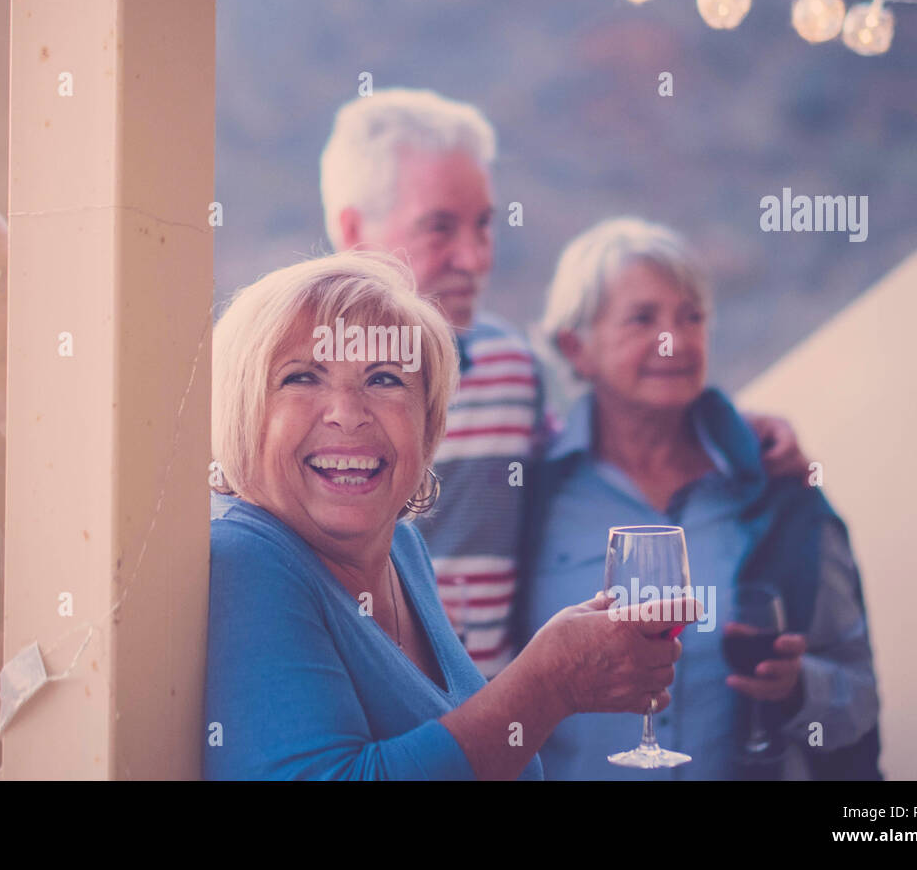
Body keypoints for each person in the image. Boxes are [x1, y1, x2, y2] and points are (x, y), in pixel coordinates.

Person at [320, 87, 806, 677]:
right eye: (439, 228)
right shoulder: (296, 398)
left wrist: (731, 428)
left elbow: (588, 443)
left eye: (483, 226)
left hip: (495, 734)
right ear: (352, 230)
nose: (475, 258)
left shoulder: (510, 368)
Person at [203, 251, 698, 779]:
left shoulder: (402, 548)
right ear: (241, 413)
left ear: (429, 422)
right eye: (302, 377)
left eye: (385, 379)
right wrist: (548, 686)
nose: (347, 413)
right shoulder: (243, 559)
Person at [518, 218, 881, 779]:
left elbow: (858, 694)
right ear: (576, 347)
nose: (678, 340)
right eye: (644, 318)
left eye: (693, 317)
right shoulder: (528, 501)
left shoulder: (779, 491)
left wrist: (798, 687)